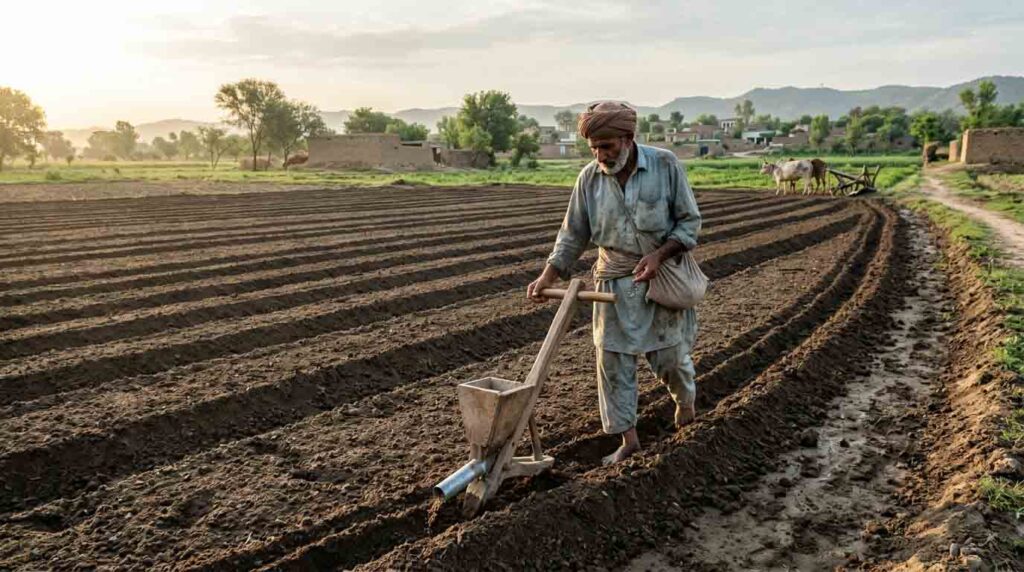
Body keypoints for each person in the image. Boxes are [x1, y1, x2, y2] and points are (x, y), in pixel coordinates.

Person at [526, 101, 701, 465]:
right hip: (612, 285)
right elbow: (573, 235)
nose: (601, 155)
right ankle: (629, 440)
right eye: (594, 148)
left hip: (660, 278)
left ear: (628, 138)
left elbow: (689, 224)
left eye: (607, 146)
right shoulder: (589, 179)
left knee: (671, 358)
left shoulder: (665, 164)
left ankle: (685, 403)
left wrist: (658, 256)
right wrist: (547, 276)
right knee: (613, 364)